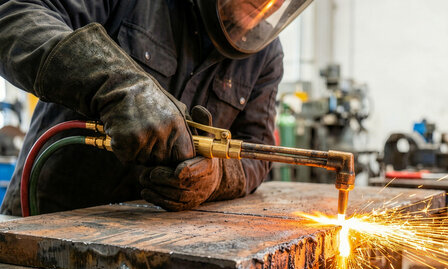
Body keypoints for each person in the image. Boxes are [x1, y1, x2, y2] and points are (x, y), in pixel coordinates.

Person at [0, 0, 313, 216]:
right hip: (47, 221)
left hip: (151, 243)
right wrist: (116, 85)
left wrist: (216, 178)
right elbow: (14, 15)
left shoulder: (265, 56)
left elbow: (257, 151)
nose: (261, 9)